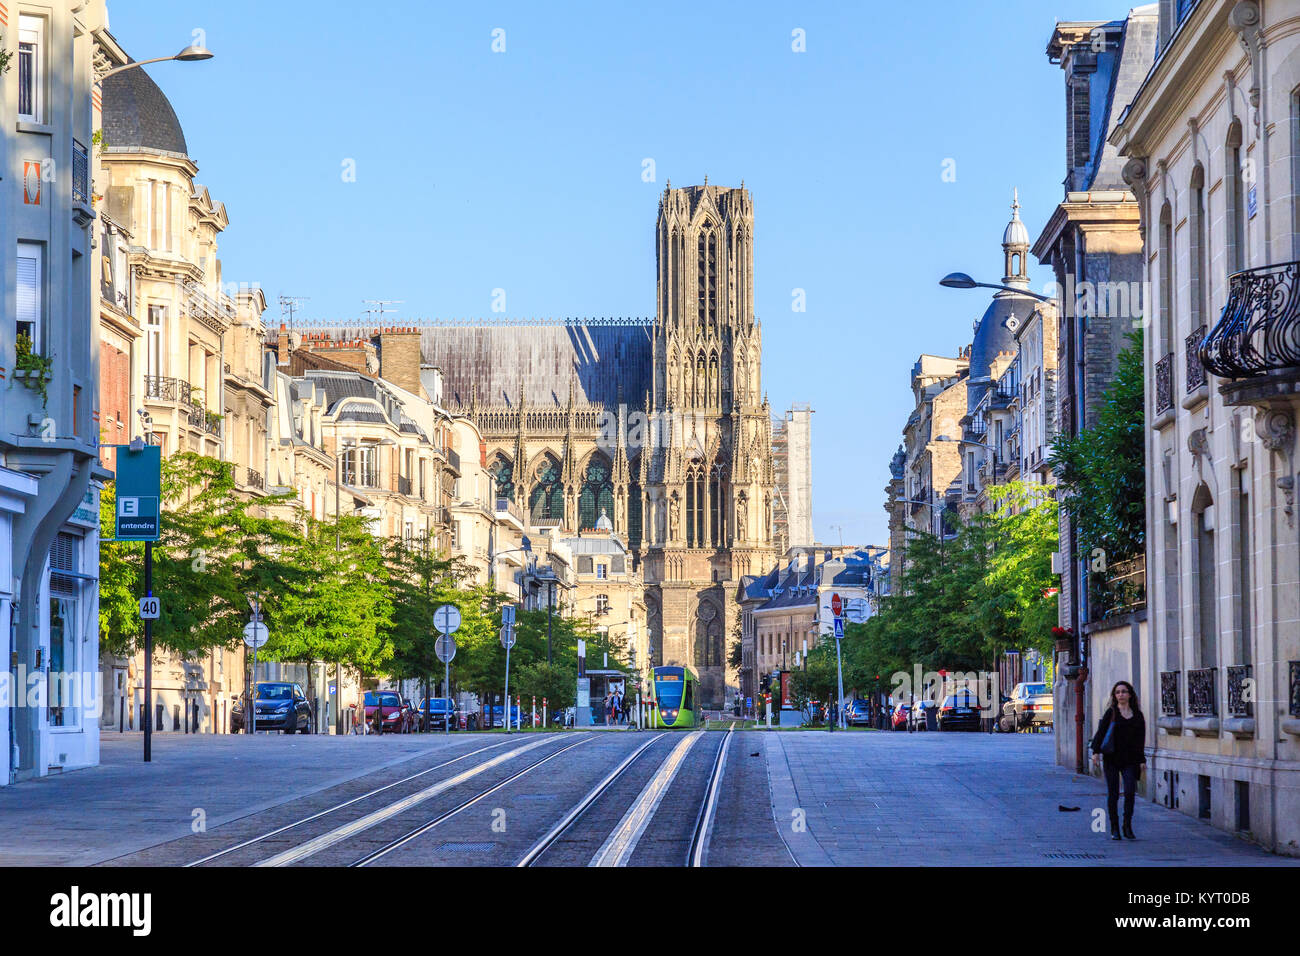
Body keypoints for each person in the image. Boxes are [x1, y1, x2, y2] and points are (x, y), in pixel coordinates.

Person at [1091, 680, 1146, 841]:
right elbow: (1101, 733)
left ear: (1130, 694)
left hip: (1130, 760)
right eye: (1118, 692)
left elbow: (1140, 739)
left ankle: (1127, 825)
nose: (1121, 694)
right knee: (1113, 794)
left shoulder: (1137, 715)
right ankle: (1115, 827)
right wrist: (1095, 752)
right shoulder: (1112, 712)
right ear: (1115, 696)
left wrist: (1141, 759)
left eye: (1124, 691)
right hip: (1112, 758)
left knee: (1130, 792)